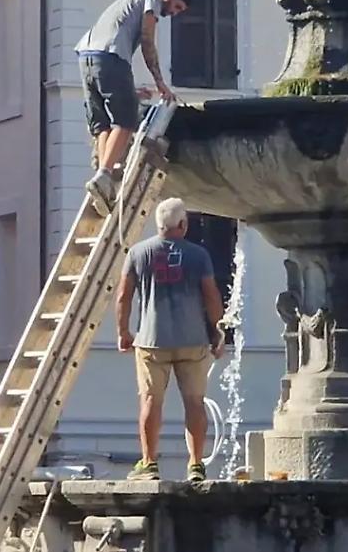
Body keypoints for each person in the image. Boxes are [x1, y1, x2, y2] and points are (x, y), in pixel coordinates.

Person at [115, 197, 226, 482]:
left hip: (152, 340)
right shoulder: (198, 255)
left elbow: (123, 296)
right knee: (195, 402)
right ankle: (196, 465)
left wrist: (124, 332)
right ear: (183, 225)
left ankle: (149, 463)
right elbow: (211, 295)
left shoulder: (138, 253)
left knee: (151, 400)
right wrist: (218, 331)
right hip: (193, 340)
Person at [75, 0, 191, 216]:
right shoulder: (152, 0)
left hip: (87, 57)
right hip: (110, 56)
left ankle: (101, 172)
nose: (174, 13)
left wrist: (128, 91)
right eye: (177, 6)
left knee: (102, 124)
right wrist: (161, 84)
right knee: (126, 121)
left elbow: (105, 72)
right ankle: (105, 176)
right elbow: (148, 42)